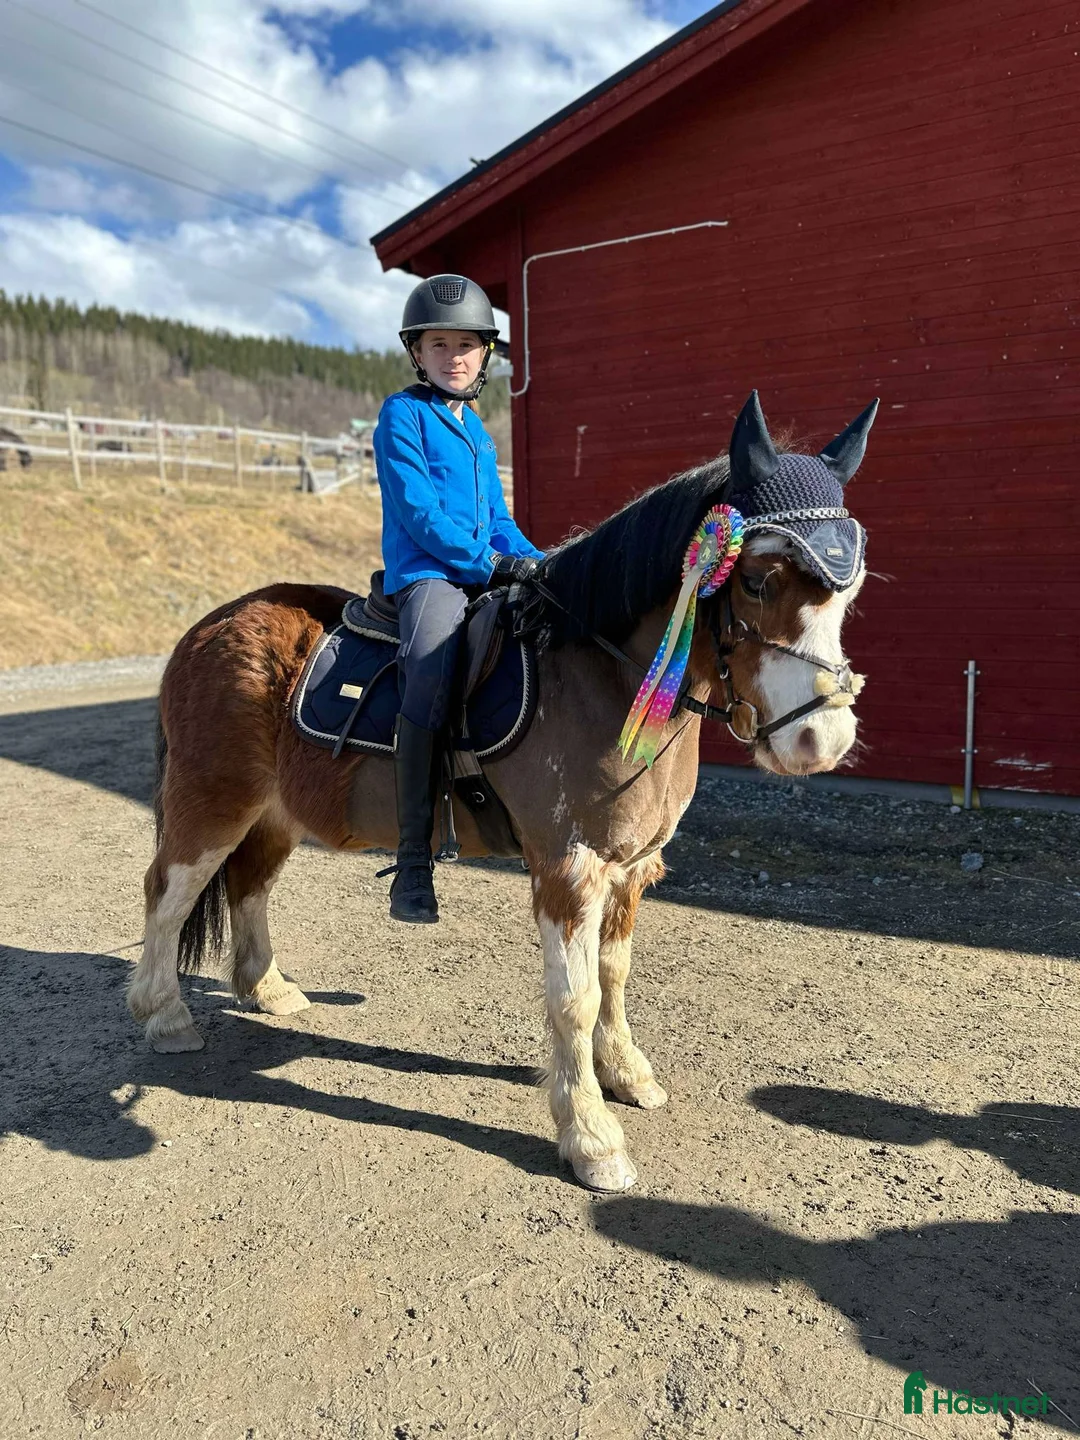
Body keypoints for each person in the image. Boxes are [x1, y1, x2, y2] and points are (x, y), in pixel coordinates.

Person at [373, 274, 544, 924]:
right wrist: (492, 563)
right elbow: (419, 514)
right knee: (431, 663)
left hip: (482, 570)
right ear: (417, 352)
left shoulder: (476, 432)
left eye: (466, 345)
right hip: (428, 577)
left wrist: (540, 562)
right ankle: (413, 860)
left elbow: (498, 520)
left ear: (485, 355)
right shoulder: (402, 415)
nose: (453, 356)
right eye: (439, 344)